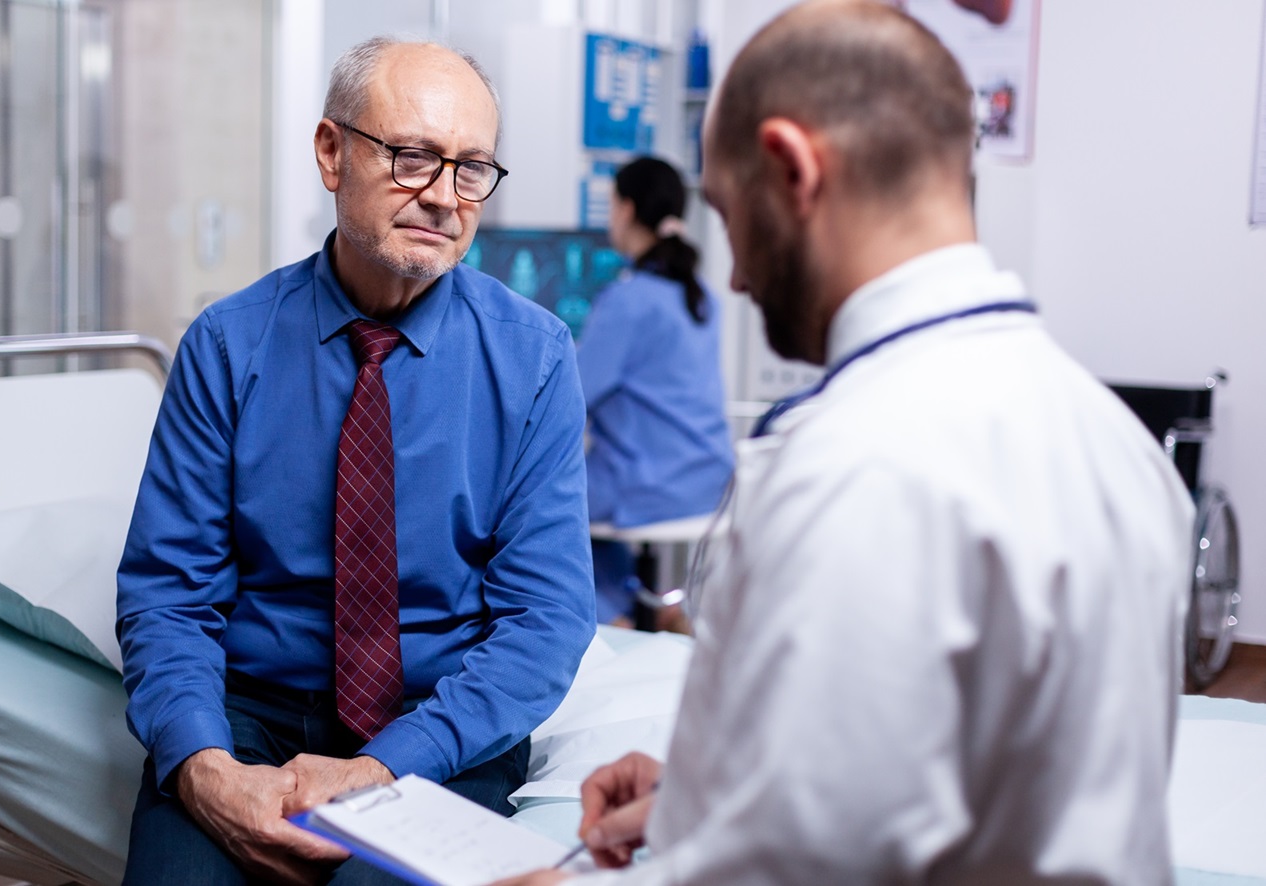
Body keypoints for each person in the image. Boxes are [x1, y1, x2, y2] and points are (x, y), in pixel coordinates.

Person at [498, 2, 1193, 884]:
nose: (739, 275)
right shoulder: (1114, 443)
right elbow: (974, 782)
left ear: (791, 168)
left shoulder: (853, 468)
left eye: (729, 210)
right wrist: (703, 794)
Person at [116, 37, 595, 885]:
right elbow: (168, 594)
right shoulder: (228, 348)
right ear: (331, 153)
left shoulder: (536, 360)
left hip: (440, 718)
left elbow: (544, 620)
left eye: (472, 168)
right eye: (414, 157)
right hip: (251, 712)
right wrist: (203, 766)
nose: (445, 197)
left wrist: (383, 767)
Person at [576, 156, 734, 626]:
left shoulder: (627, 301)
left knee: (534, 499)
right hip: (710, 482)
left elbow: (573, 395)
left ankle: (612, 615)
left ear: (625, 210)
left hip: (648, 485)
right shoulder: (702, 295)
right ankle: (658, 612)